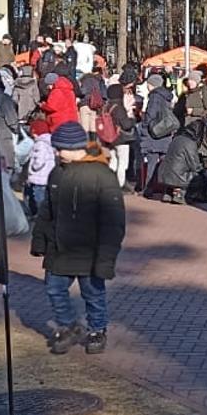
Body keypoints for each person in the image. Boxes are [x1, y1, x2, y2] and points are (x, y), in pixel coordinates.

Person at [32, 123, 127, 355]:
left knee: (93, 293)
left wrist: (106, 257)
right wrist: (39, 240)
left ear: (74, 148)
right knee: (54, 289)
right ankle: (68, 325)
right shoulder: (57, 172)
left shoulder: (102, 175)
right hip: (60, 247)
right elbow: (47, 209)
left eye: (60, 148)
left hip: (90, 249)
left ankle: (97, 329)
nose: (56, 153)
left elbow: (114, 219)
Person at [139, 73, 178, 196]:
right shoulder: (167, 96)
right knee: (164, 163)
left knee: (152, 162)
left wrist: (145, 124)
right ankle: (167, 189)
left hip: (155, 133)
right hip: (166, 132)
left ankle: (148, 188)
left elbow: (151, 114)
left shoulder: (155, 97)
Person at [106, 72, 140, 189]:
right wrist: (132, 120)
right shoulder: (119, 107)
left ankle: (109, 183)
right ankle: (119, 186)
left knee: (113, 161)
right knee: (122, 164)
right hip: (121, 138)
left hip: (110, 137)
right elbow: (125, 124)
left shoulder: (108, 105)